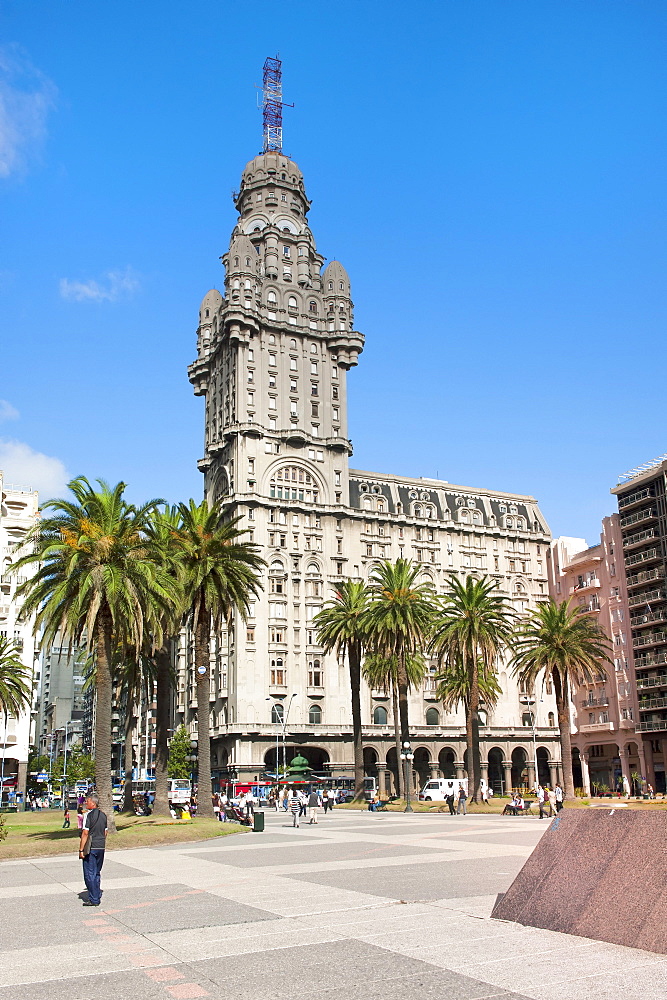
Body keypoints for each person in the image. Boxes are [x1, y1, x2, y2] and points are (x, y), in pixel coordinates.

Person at [79, 792, 107, 907]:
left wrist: (81, 849)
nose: (86, 803)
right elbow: (105, 832)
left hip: (91, 847)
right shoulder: (104, 815)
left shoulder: (88, 815)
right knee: (97, 872)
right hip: (101, 846)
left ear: (93, 803)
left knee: (89, 873)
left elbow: (85, 833)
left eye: (88, 801)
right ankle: (96, 893)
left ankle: (94, 898)